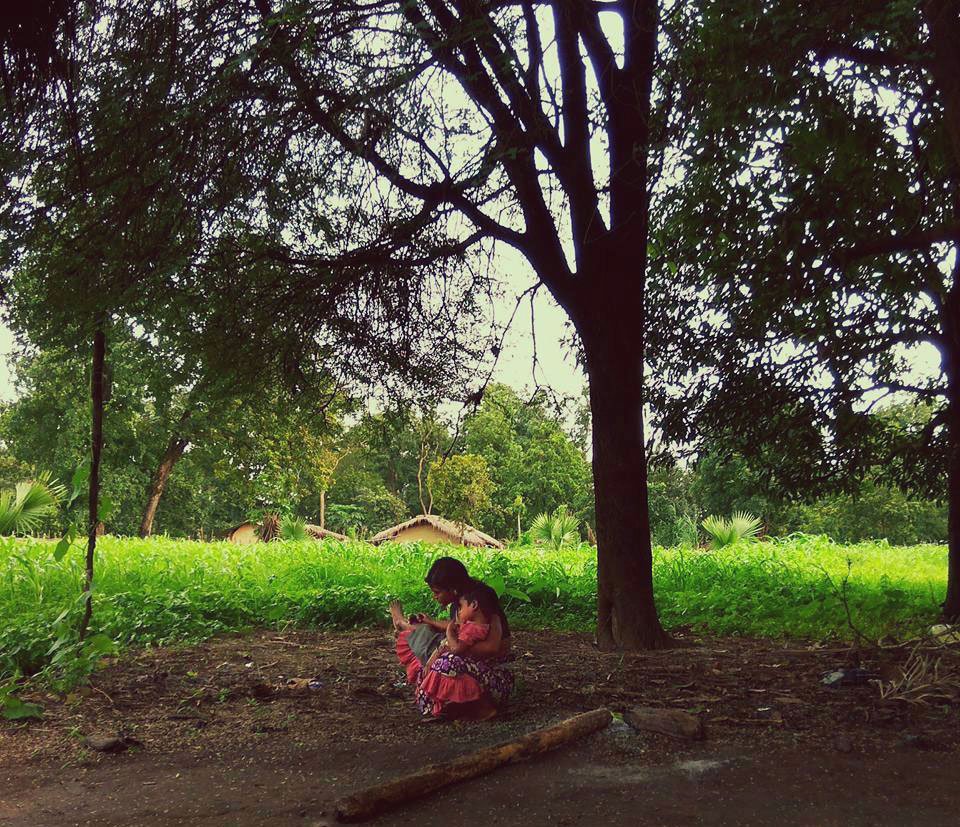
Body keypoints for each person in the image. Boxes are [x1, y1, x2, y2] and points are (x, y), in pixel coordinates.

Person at [390, 556, 513, 720]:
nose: (435, 597)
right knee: (424, 638)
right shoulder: (462, 602)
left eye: (437, 592)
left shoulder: (482, 601)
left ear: (453, 589)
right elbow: (459, 627)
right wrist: (432, 623)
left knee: (444, 660)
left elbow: (491, 648)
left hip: (493, 673)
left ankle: (482, 706)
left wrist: (449, 648)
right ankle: (455, 702)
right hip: (469, 655)